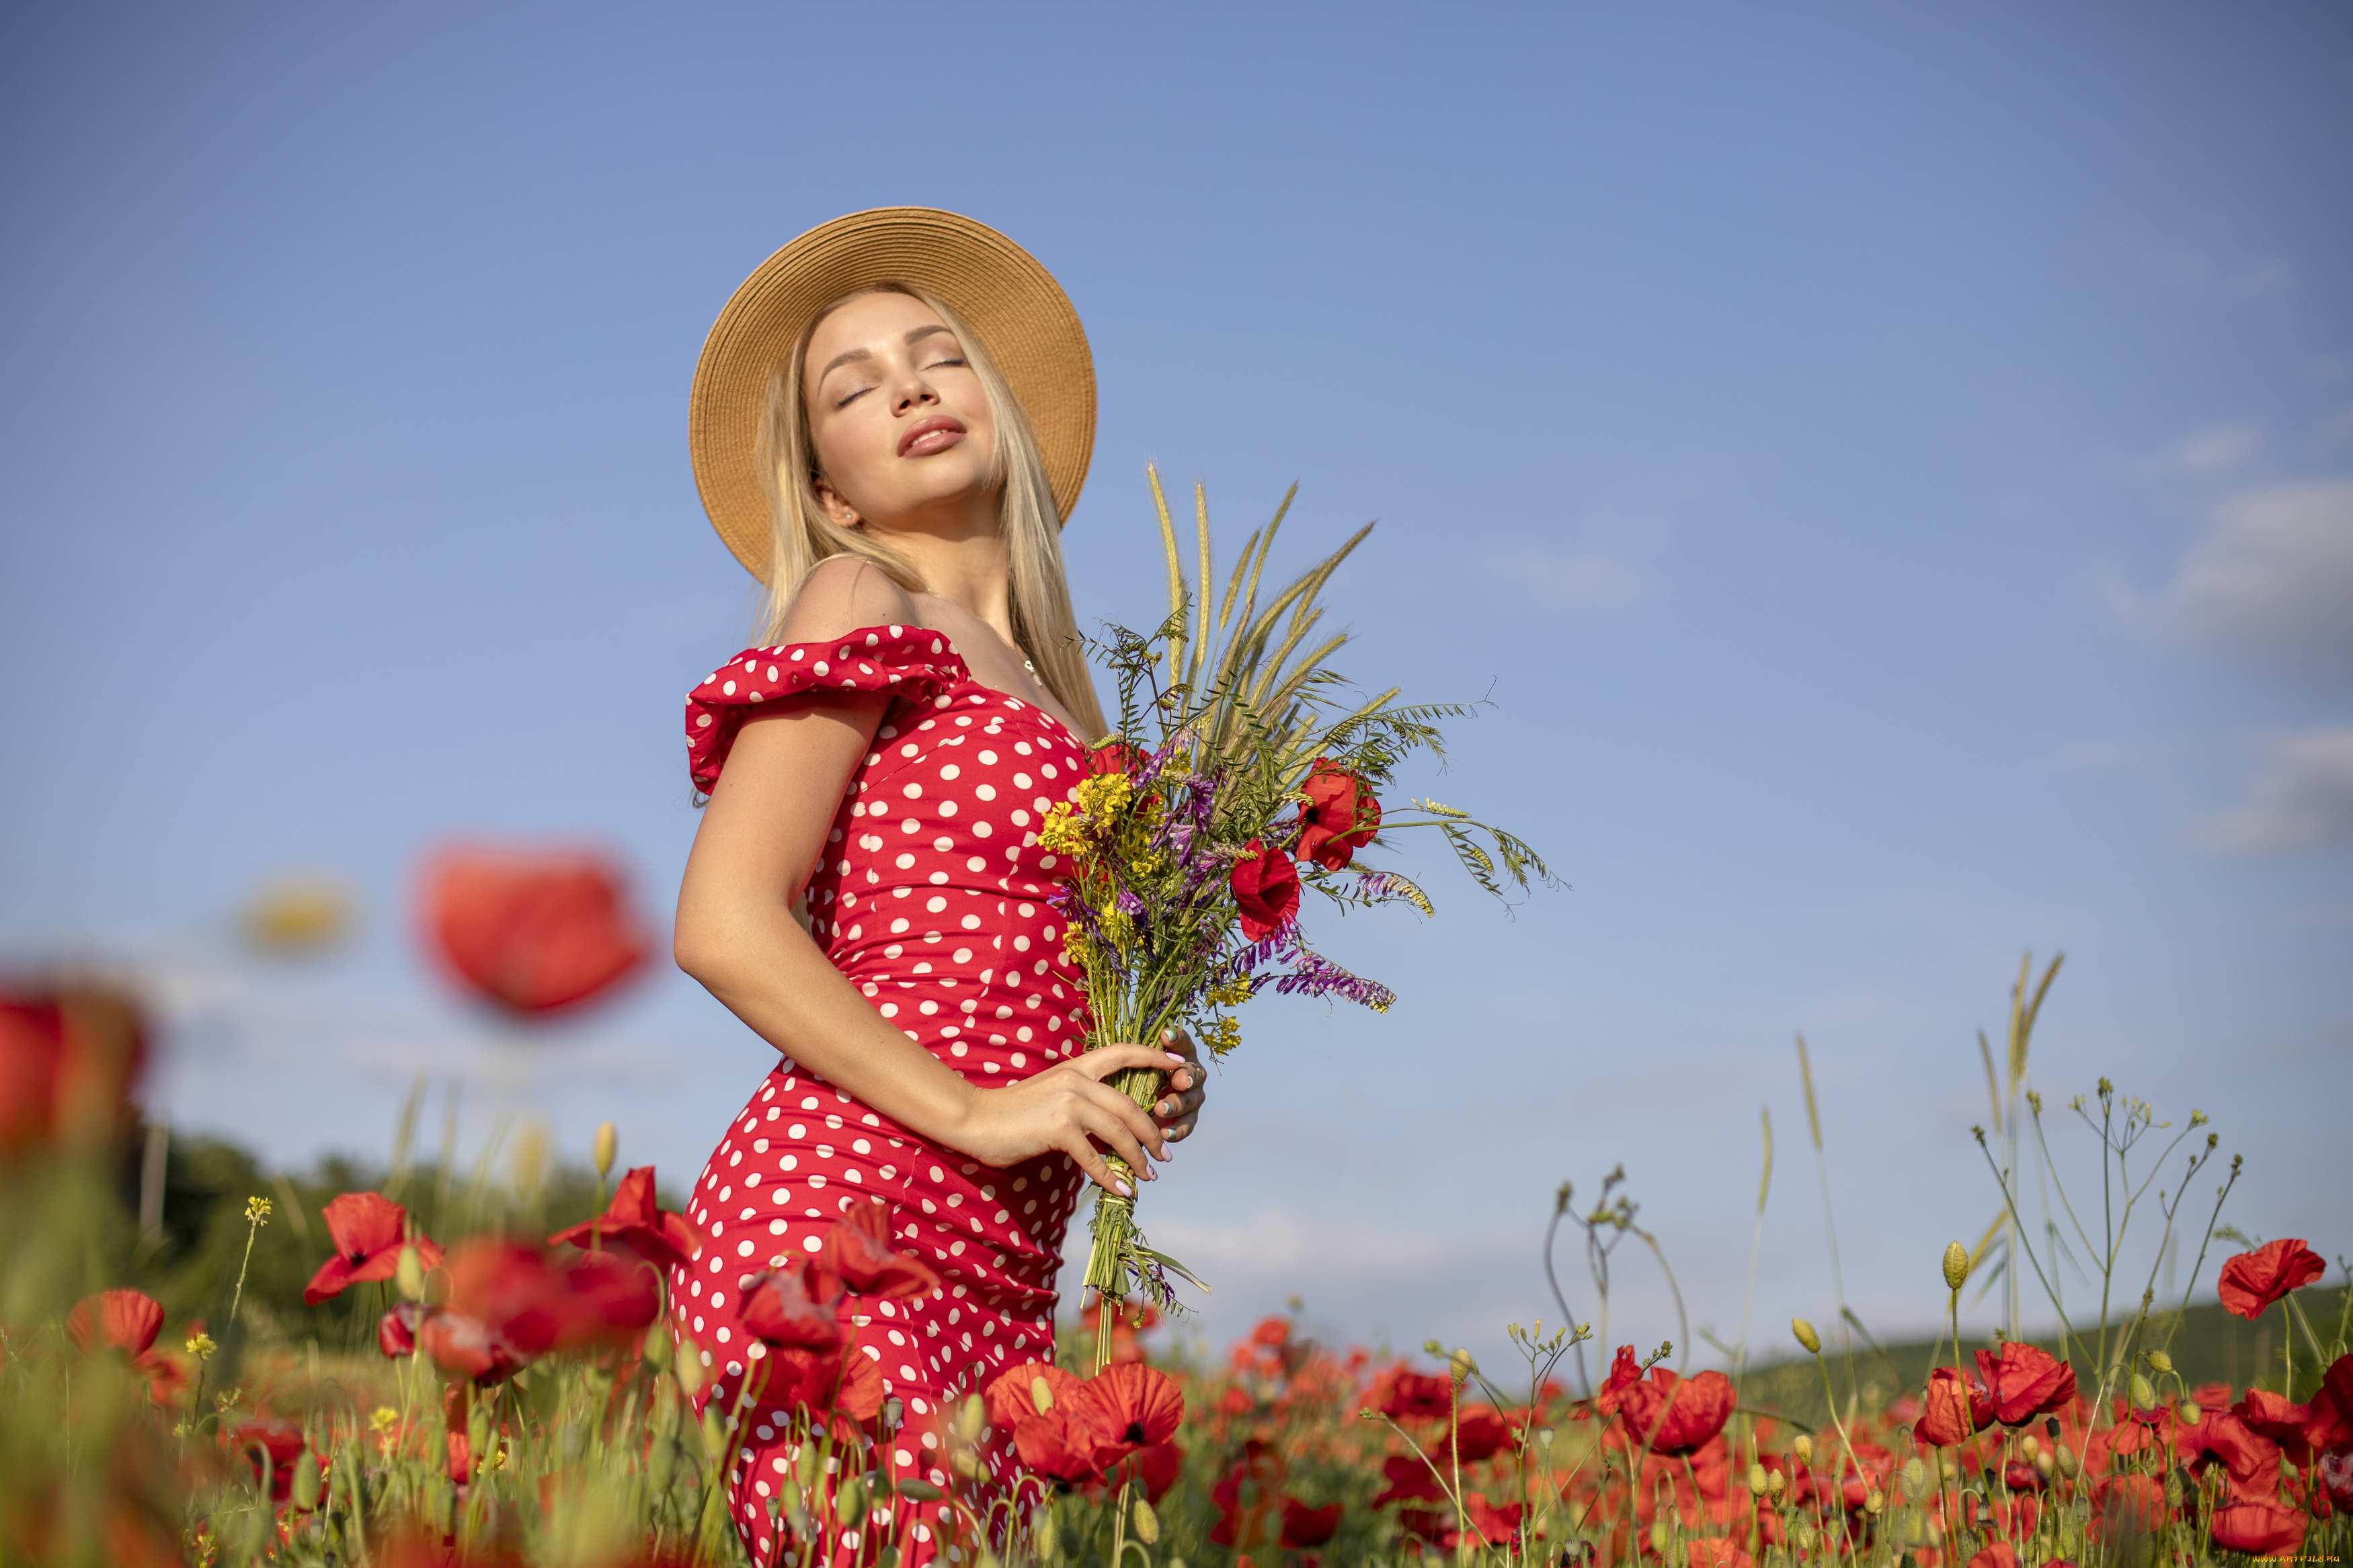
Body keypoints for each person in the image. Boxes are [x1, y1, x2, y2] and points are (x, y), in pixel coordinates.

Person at [667, 208, 1206, 1565]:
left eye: (935, 357)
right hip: (846, 1221)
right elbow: (723, 925)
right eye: (851, 387)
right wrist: (978, 1106)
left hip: (1005, 1276)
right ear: (832, 491)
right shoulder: (862, 598)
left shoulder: (1073, 714)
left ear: (996, 410)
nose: (905, 384)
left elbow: (1023, 964)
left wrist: (1134, 1062)